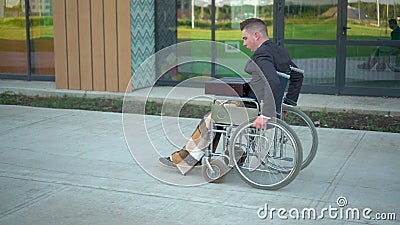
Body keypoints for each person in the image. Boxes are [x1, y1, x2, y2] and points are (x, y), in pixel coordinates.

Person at [159, 18, 302, 175]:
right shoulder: (279, 51)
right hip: (256, 102)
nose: (244, 44)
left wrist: (267, 114)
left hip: (252, 105)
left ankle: (186, 159)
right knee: (220, 108)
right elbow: (298, 75)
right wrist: (287, 103)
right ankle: (210, 155)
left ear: (256, 35)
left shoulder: (262, 55)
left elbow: (273, 82)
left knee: (212, 117)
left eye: (245, 38)